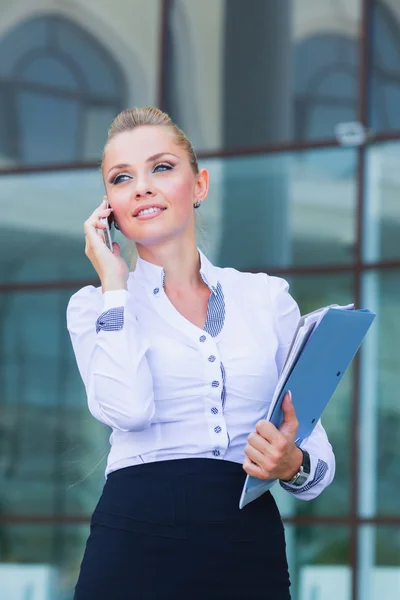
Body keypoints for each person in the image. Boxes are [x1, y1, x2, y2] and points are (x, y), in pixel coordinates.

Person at [67, 107, 335, 600]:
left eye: (162, 167)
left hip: (246, 543)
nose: (142, 187)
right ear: (109, 209)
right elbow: (128, 410)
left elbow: (315, 456)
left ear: (199, 185)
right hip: (133, 543)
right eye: (122, 178)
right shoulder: (96, 306)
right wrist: (113, 284)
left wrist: (289, 461)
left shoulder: (267, 298)